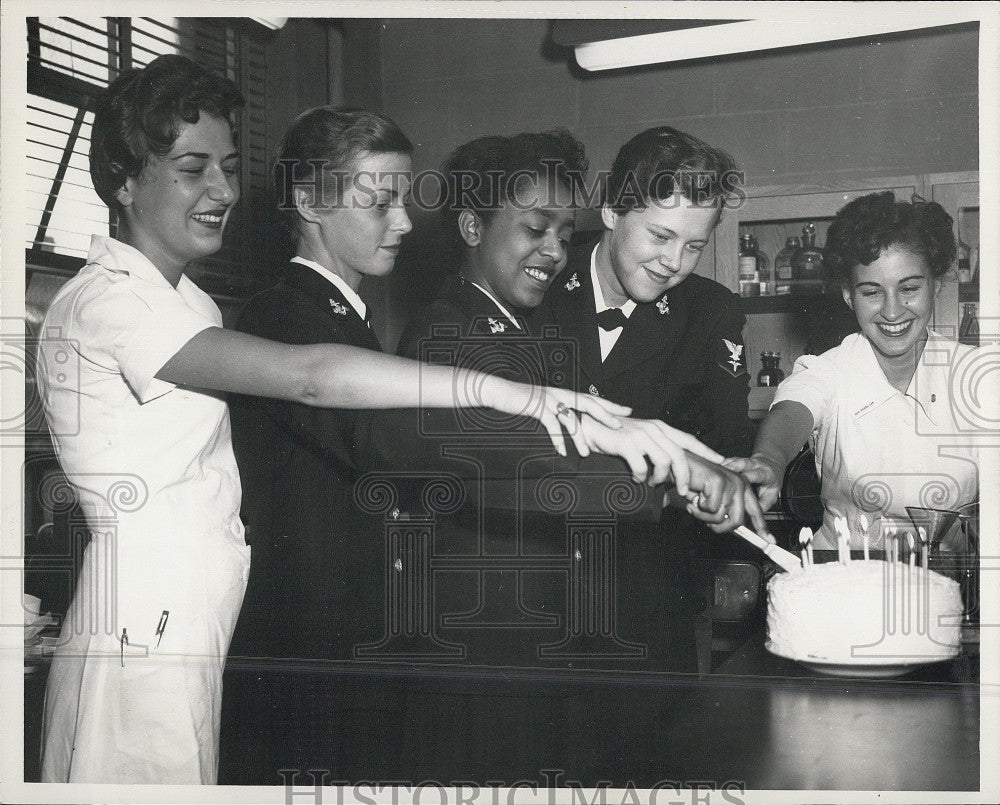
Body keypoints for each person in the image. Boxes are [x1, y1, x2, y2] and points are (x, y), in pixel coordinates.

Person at [33, 55, 635, 786]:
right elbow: (313, 380)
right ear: (124, 181)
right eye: (194, 169)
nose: (223, 189)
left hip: (208, 607)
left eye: (228, 166)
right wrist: (518, 397)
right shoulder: (111, 300)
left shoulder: (188, 304)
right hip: (150, 613)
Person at [220, 110, 722, 784]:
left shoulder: (401, 326)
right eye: (381, 202)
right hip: (348, 653)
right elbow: (434, 447)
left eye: (563, 234)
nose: (401, 220)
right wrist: (646, 473)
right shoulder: (343, 324)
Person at [395, 129, 766, 783]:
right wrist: (669, 475)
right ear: (614, 213)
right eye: (659, 236)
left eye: (695, 244)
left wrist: (733, 480)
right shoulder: (527, 285)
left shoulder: (709, 313)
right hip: (521, 620)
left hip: (646, 609)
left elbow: (726, 453)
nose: (675, 261)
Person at [727, 191, 981, 550]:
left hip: (951, 583)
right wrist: (768, 461)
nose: (893, 312)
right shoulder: (829, 371)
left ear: (936, 286)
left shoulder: (979, 376)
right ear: (848, 295)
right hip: (845, 580)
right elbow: (793, 410)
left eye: (909, 288)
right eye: (871, 292)